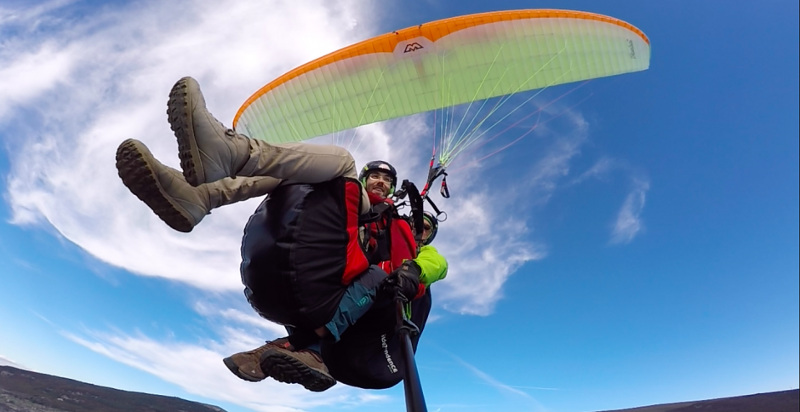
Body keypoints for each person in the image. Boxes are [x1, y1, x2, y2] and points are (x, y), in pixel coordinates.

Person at [115, 76, 447, 392]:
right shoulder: (350, 206)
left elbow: (435, 262)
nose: (380, 182)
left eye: (386, 180)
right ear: (366, 180)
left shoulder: (397, 224)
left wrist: (415, 269)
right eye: (373, 176)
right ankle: (200, 196)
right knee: (294, 172)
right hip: (319, 270)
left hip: (340, 288)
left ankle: (229, 157)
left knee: (340, 160)